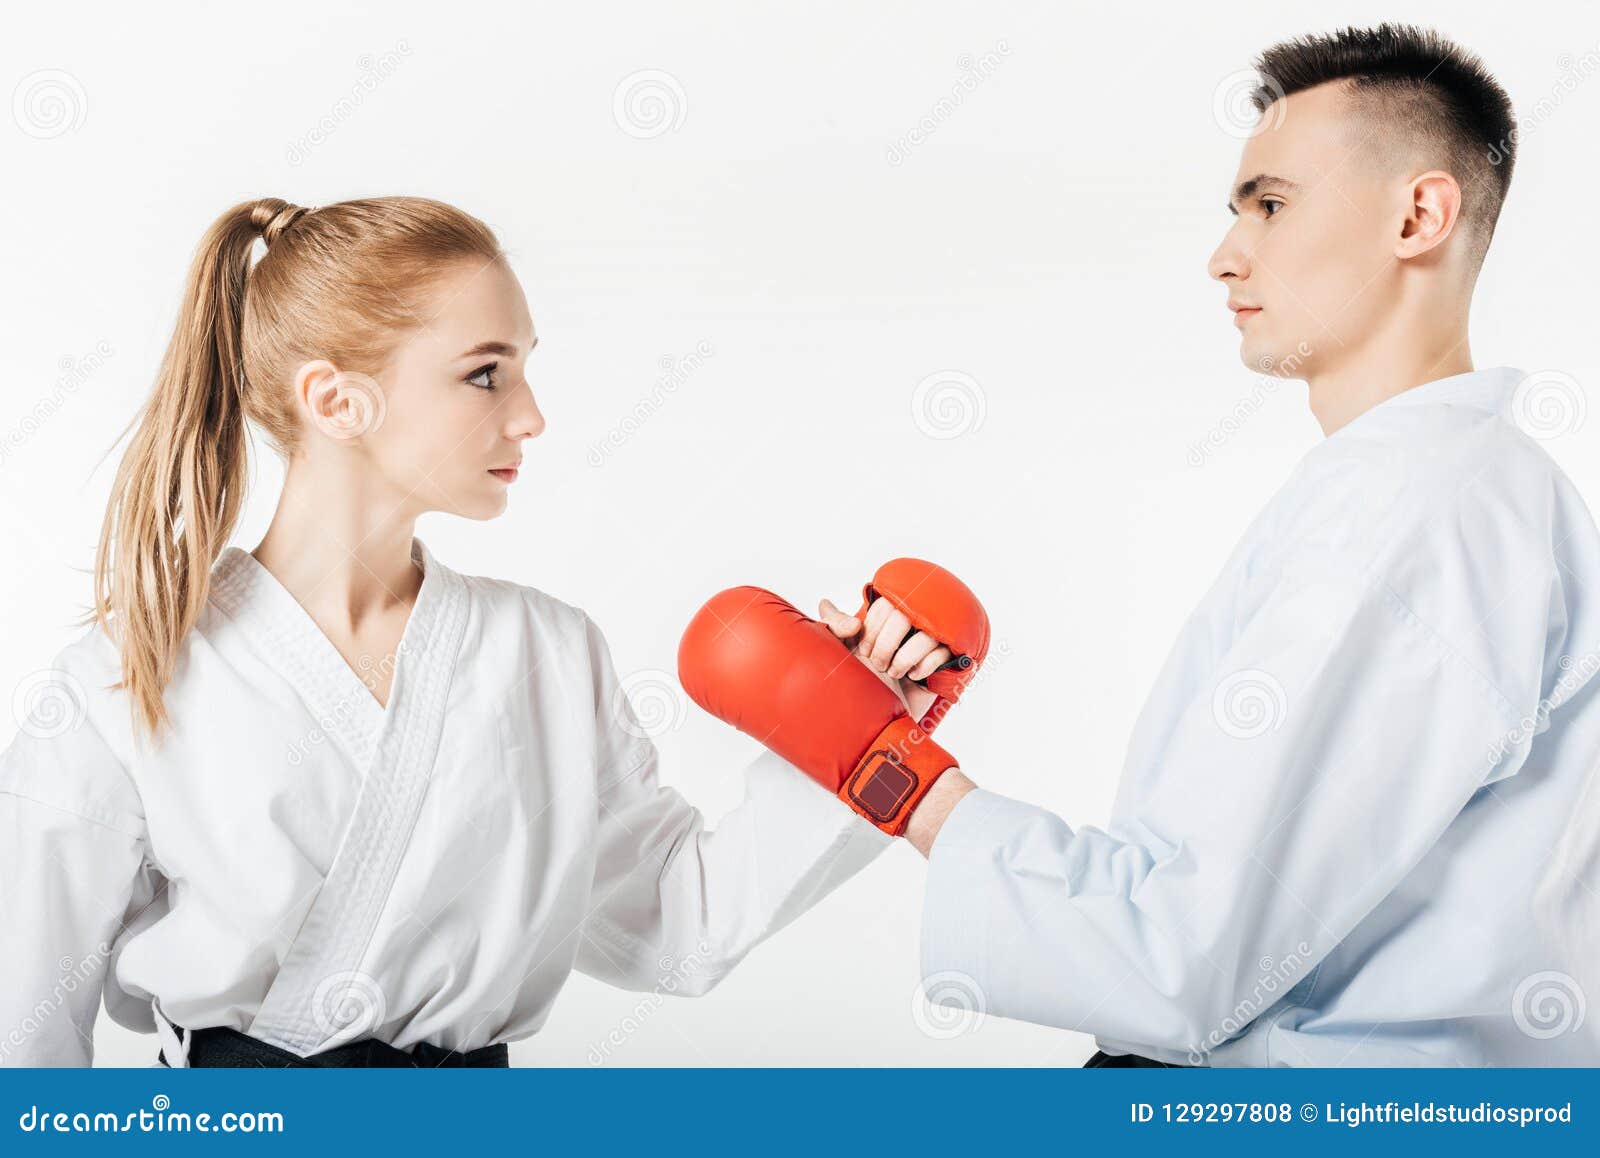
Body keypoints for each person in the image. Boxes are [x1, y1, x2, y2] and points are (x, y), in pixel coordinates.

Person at [802, 24, 1600, 1065]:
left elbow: (1173, 960)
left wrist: (888, 769)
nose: (1226, 254)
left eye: (1269, 204)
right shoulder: (1462, 491)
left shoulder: (1416, 509)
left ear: (1418, 214)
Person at [0, 196, 927, 1067]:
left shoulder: (549, 656)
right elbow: (25, 1034)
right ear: (336, 402)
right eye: (486, 373)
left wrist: (854, 728)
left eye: (524, 369)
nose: (530, 415)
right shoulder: (125, 677)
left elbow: (679, 930)